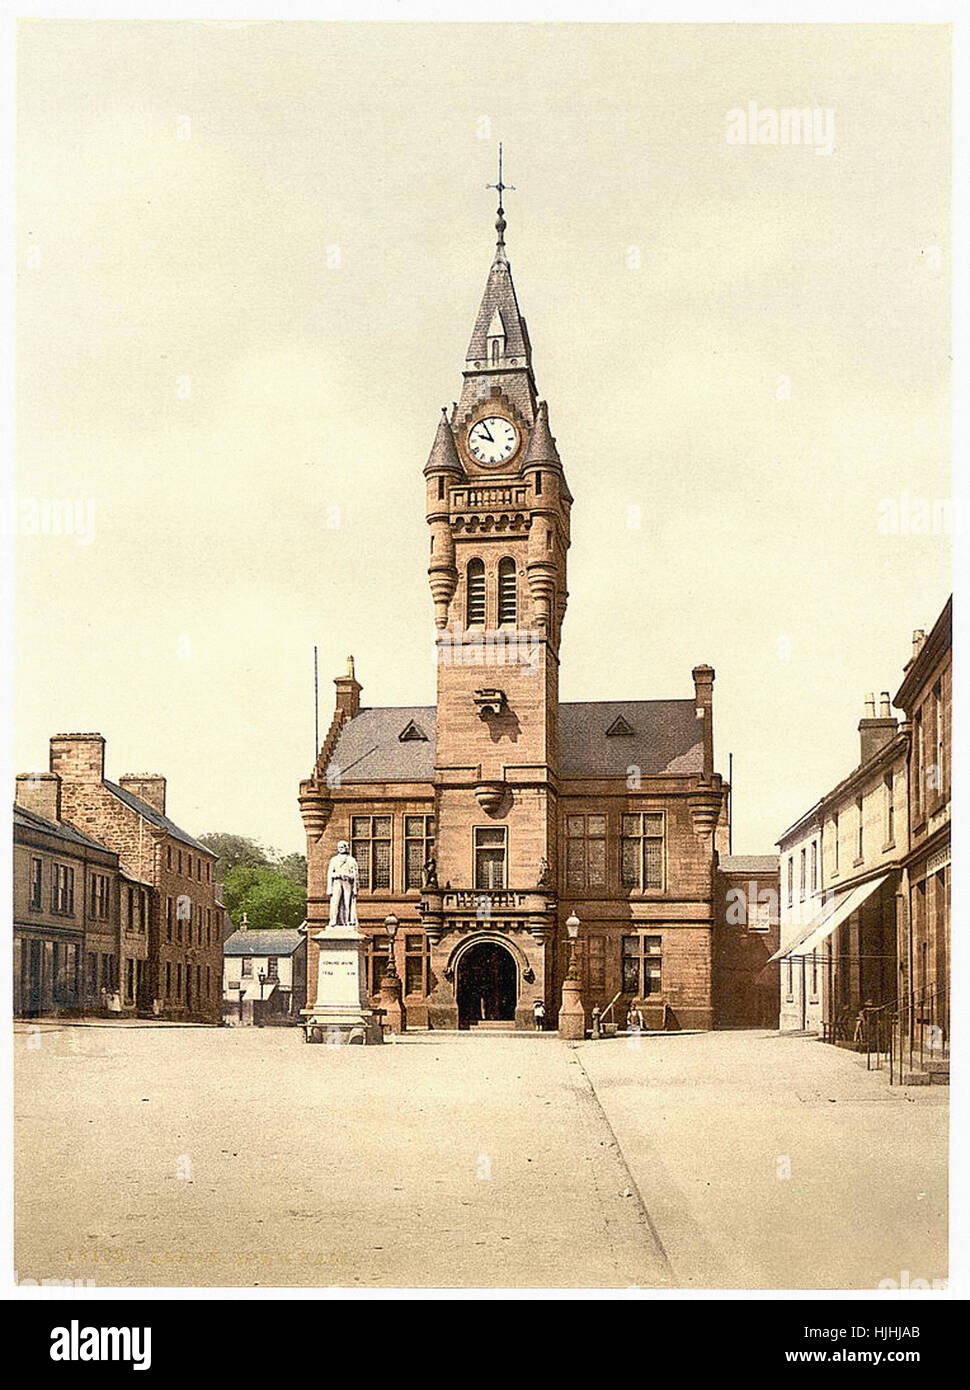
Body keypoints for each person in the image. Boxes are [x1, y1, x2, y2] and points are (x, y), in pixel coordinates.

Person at [327, 841, 359, 926]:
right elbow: (330, 873)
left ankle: (347, 920)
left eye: (343, 847)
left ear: (346, 848)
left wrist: (348, 876)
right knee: (335, 901)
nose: (341, 849)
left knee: (347, 902)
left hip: (347, 882)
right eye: (339, 847)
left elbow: (355, 875)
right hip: (337, 882)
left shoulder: (351, 860)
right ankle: (333, 920)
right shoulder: (334, 860)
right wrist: (329, 888)